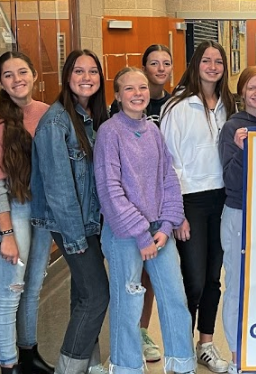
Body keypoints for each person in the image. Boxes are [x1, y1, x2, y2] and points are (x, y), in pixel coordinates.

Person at [95, 67, 196, 374]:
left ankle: (181, 364)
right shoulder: (109, 133)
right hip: (124, 234)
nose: (137, 94)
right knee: (128, 304)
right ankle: (126, 366)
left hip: (159, 232)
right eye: (129, 89)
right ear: (117, 96)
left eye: (141, 88)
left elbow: (167, 179)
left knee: (175, 297)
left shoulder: (153, 130)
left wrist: (166, 226)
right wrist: (141, 235)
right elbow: (110, 190)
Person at [31, 50, 110, 374]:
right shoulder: (56, 121)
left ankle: (89, 366)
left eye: (93, 71)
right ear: (67, 77)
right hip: (71, 225)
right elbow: (59, 187)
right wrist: (76, 238)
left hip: (90, 223)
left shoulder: (92, 117)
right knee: (96, 297)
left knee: (82, 297)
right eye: (79, 71)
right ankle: (69, 369)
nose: (87, 77)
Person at [160, 41, 236, 373]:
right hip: (190, 200)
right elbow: (166, 162)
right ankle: (180, 348)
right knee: (192, 279)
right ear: (196, 64)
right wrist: (175, 212)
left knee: (213, 279)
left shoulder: (230, 105)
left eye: (218, 61)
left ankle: (205, 343)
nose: (213, 66)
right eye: (206, 60)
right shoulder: (177, 106)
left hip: (222, 199)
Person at [0, 52, 54, 374]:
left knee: (33, 285)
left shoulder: (49, 114)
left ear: (34, 74)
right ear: (0, 81)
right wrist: (6, 235)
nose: (17, 79)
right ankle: (8, 365)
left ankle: (28, 355)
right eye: (8, 75)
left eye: (22, 71)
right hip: (11, 210)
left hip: (42, 209)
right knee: (11, 290)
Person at [109, 44, 174, 362]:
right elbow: (112, 185)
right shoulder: (114, 127)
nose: (160, 68)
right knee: (129, 291)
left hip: (162, 216)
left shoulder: (170, 112)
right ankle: (126, 358)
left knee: (164, 288)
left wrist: (170, 218)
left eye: (166, 63)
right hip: (128, 224)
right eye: (154, 63)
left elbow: (169, 173)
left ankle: (148, 339)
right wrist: (139, 229)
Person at [218, 66, 256, 374]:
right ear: (241, 92)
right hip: (239, 214)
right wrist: (243, 151)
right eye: (251, 88)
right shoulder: (232, 128)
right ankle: (235, 354)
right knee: (238, 286)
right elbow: (229, 176)